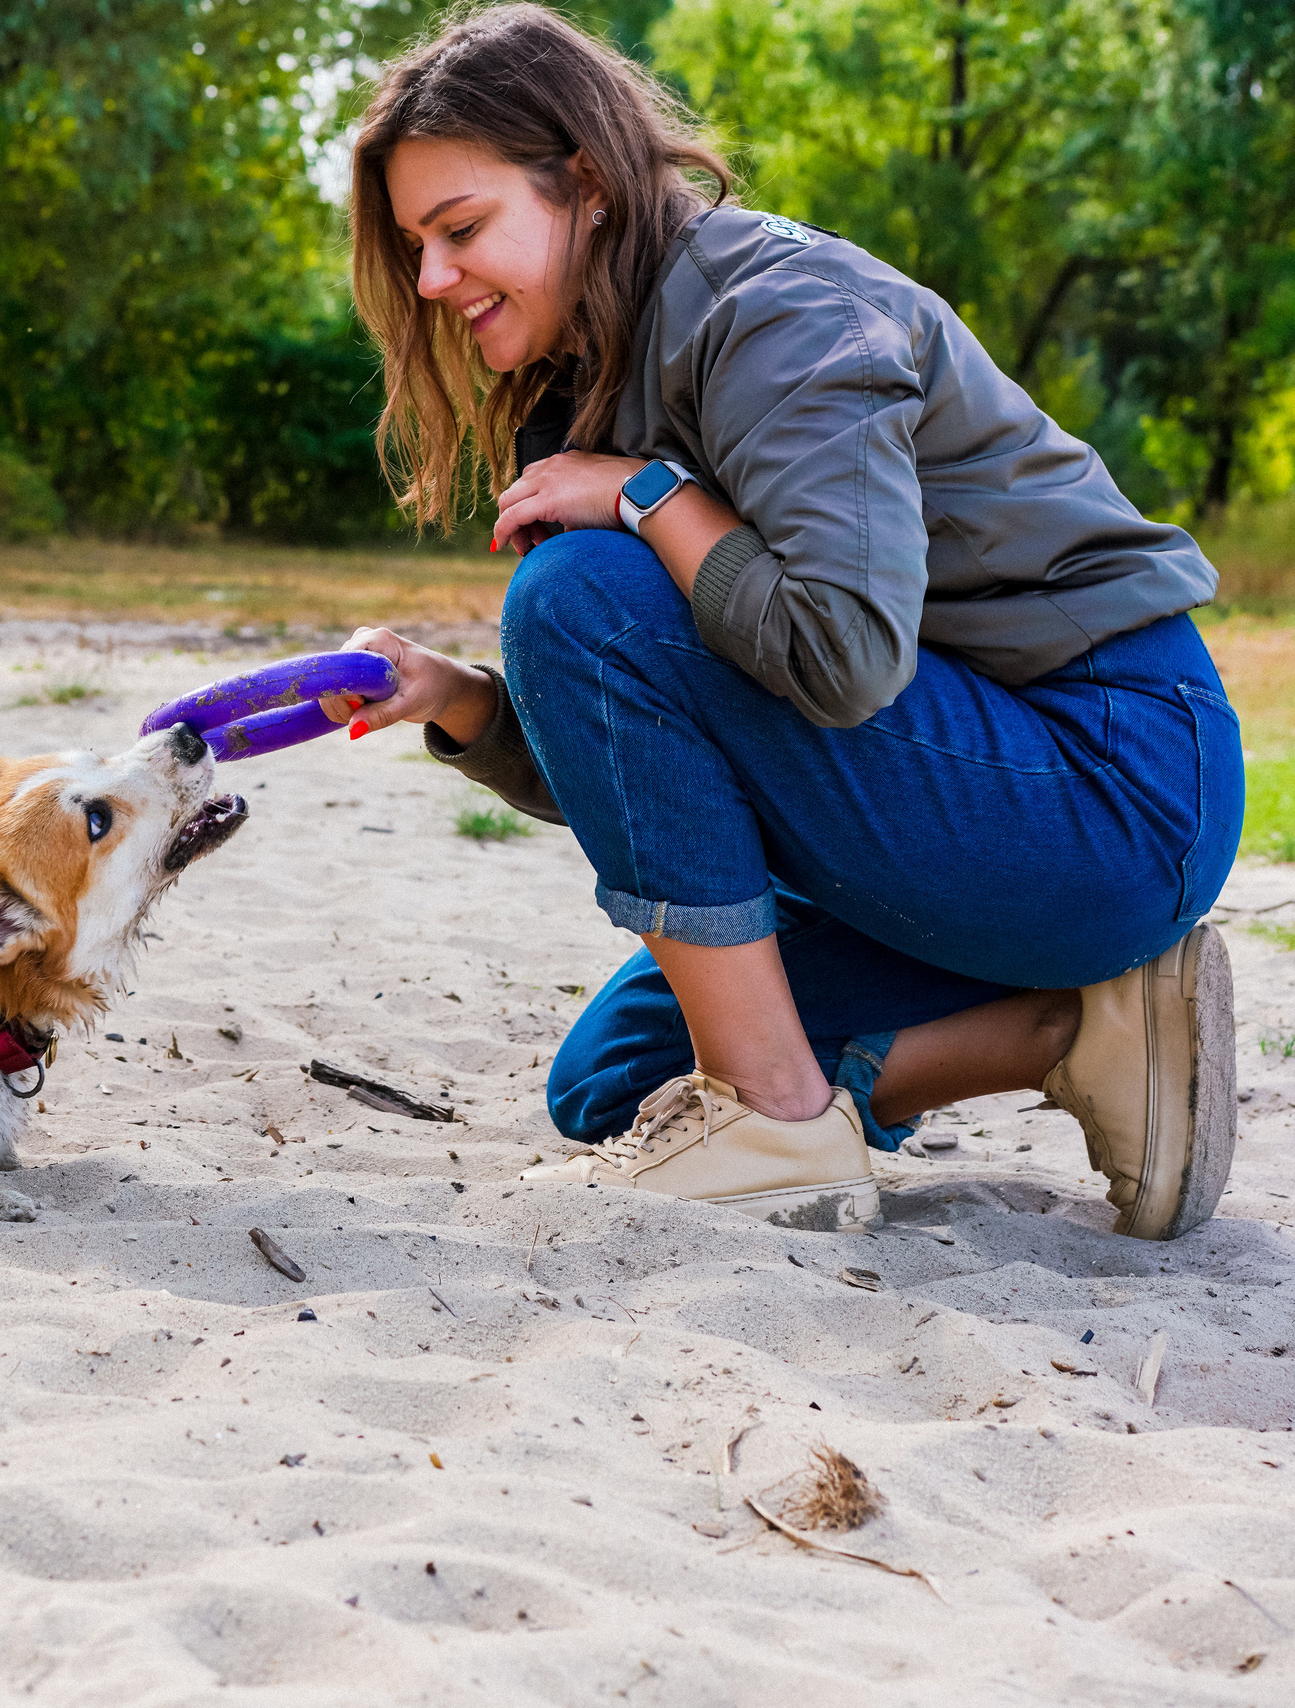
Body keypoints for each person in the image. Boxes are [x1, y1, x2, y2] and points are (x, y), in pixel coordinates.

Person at [323, 4, 1245, 1241]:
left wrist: (649, 498)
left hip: (1112, 790)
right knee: (611, 1087)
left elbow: (841, 655)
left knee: (573, 592)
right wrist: (456, 701)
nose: (432, 281)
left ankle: (775, 1116)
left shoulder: (779, 312)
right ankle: (1078, 1027)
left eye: (461, 229)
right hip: (957, 808)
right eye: (415, 245)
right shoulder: (596, 368)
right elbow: (651, 757)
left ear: (587, 185)